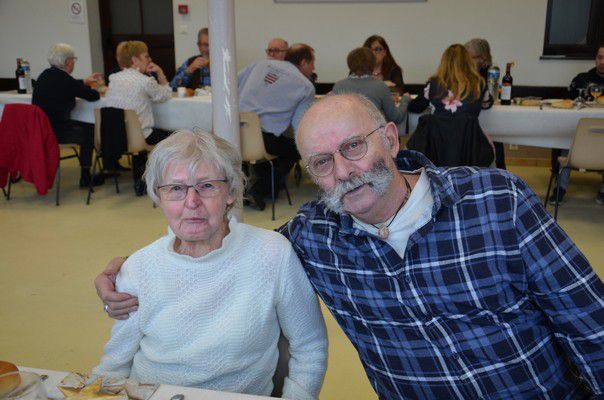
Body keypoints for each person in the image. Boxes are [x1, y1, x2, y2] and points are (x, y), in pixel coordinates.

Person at [96, 93, 604, 398]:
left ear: (390, 137)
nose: (343, 172)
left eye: (354, 147)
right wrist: (131, 270)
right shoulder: (314, 237)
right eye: (321, 162)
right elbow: (222, 243)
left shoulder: (496, 200)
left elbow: (592, 326)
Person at [93, 130, 327, 399]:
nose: (191, 202)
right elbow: (114, 364)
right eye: (176, 188)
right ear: (159, 197)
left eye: (207, 186)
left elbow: (309, 346)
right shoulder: (138, 267)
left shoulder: (273, 254)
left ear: (231, 192)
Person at [237, 43, 316, 210]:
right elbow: (299, 125)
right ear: (303, 62)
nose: (314, 67)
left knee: (275, 149)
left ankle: (254, 185)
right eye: (312, 63)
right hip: (265, 140)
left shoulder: (259, 64)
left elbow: (233, 82)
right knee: (295, 149)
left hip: (235, 133)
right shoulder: (305, 86)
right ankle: (261, 188)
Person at [407, 44, 494, 167]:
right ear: (468, 62)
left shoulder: (434, 84)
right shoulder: (478, 84)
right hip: (469, 149)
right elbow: (487, 103)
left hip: (437, 149)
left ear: (444, 62)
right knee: (491, 150)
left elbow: (416, 107)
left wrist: (406, 100)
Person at [104, 41, 172, 195]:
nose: (150, 60)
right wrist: (160, 73)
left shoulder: (113, 78)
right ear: (135, 60)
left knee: (141, 131)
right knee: (176, 136)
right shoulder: (145, 81)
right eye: (146, 56)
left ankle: (139, 182)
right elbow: (164, 95)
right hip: (141, 137)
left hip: (117, 136)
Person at [32, 43, 104, 188]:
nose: (74, 62)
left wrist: (84, 81)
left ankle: (86, 174)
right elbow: (93, 96)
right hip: (58, 133)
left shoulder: (44, 75)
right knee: (89, 129)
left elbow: (68, 85)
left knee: (83, 126)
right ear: (67, 62)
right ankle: (85, 176)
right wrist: (98, 86)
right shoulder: (65, 80)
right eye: (73, 59)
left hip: (41, 131)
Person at [550, 44, 604, 205]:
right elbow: (569, 105)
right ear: (595, 59)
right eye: (600, 57)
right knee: (567, 142)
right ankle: (560, 188)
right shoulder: (581, 79)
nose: (603, 61)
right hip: (580, 134)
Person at [332, 47, 409, 125]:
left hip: (346, 135)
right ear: (372, 64)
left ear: (349, 64)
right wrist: (405, 99)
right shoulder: (380, 87)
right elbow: (396, 118)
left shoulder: (339, 86)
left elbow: (334, 117)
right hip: (374, 135)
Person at [465, 38, 506, 169]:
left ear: (482, 58)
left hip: (485, 124)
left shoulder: (489, 72)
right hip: (470, 125)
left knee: (496, 139)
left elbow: (488, 99)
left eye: (469, 57)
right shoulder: (465, 72)